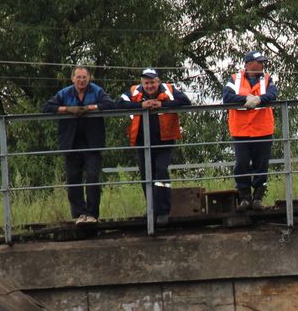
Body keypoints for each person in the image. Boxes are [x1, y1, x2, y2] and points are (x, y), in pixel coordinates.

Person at [42, 65, 115, 224]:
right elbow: (47, 108)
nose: (81, 80)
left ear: (89, 78)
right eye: (78, 77)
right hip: (71, 142)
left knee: (92, 176)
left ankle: (92, 215)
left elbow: (110, 104)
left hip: (93, 142)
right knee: (73, 178)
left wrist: (90, 108)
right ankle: (79, 214)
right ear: (72, 78)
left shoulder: (96, 91)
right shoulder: (65, 93)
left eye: (84, 77)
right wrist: (68, 109)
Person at [119, 68, 191, 225]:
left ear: (158, 82)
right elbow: (119, 103)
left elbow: (185, 101)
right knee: (146, 176)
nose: (149, 86)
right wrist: (141, 105)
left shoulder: (169, 89)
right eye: (146, 83)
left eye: (152, 82)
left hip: (165, 141)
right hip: (142, 142)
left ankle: (163, 211)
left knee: (161, 171)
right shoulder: (134, 91)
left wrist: (162, 104)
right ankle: (151, 209)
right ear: (142, 83)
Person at [222, 50, 279, 211]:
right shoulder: (234, 79)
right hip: (241, 131)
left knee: (262, 165)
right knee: (242, 164)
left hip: (263, 129)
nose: (262, 65)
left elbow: (273, 95)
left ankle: (258, 198)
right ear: (248, 64)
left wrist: (259, 99)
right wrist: (246, 99)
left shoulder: (268, 79)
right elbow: (227, 96)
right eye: (259, 62)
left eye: (262, 62)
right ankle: (244, 198)